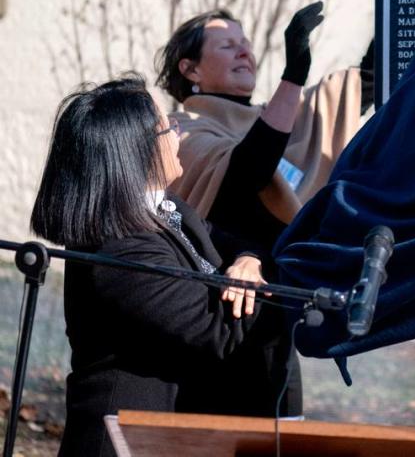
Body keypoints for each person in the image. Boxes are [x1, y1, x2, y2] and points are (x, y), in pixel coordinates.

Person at [30, 77, 279, 457]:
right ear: (137, 150)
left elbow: (234, 242)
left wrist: (248, 262)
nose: (178, 135)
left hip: (163, 436)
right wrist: (280, 291)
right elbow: (217, 329)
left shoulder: (165, 208)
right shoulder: (118, 248)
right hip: (122, 440)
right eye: (169, 128)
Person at [154, 2, 368, 416]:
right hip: (218, 329)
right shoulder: (183, 130)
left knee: (283, 437)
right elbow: (246, 174)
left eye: (245, 43)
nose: (244, 51)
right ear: (190, 70)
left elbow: (360, 90)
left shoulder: (279, 120)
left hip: (278, 328)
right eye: (227, 45)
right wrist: (292, 77)